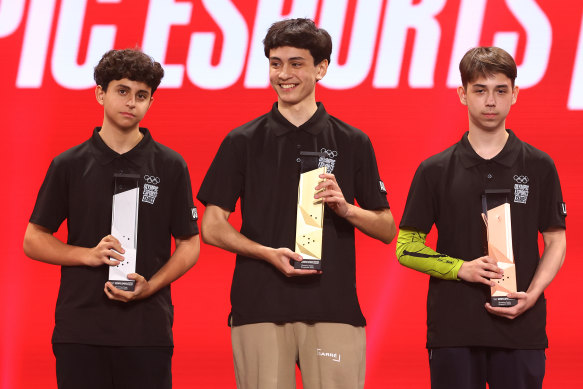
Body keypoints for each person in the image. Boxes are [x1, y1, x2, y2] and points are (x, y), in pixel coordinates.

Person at [197, 18, 396, 389]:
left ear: (321, 68)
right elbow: (211, 226)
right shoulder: (242, 141)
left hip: (333, 309)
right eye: (275, 63)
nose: (283, 74)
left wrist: (346, 208)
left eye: (296, 63)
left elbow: (387, 228)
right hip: (259, 306)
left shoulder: (353, 141)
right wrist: (266, 252)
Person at [23, 48, 200, 389]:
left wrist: (151, 286)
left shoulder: (170, 165)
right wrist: (85, 254)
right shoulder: (69, 164)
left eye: (142, 95)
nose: (131, 102)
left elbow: (190, 243)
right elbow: (34, 239)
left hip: (147, 331)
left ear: (150, 102)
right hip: (81, 329)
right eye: (122, 91)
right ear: (100, 93)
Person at [396, 46, 567, 389]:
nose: (491, 101)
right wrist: (462, 268)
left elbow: (555, 239)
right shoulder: (435, 170)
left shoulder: (539, 165)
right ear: (462, 94)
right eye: (480, 90)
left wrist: (532, 295)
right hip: (454, 330)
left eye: (500, 90)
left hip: (522, 328)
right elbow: (406, 247)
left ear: (515, 94)